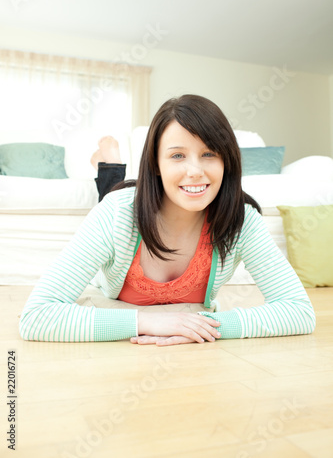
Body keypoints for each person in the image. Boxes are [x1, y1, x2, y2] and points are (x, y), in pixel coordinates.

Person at [19, 94, 316, 346]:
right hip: (130, 209)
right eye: (177, 156)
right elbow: (37, 316)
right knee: (113, 194)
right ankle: (108, 164)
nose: (195, 171)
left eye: (209, 153)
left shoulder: (242, 221)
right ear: (155, 164)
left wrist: (202, 327)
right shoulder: (116, 214)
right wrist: (149, 322)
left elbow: (299, 312)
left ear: (227, 160)